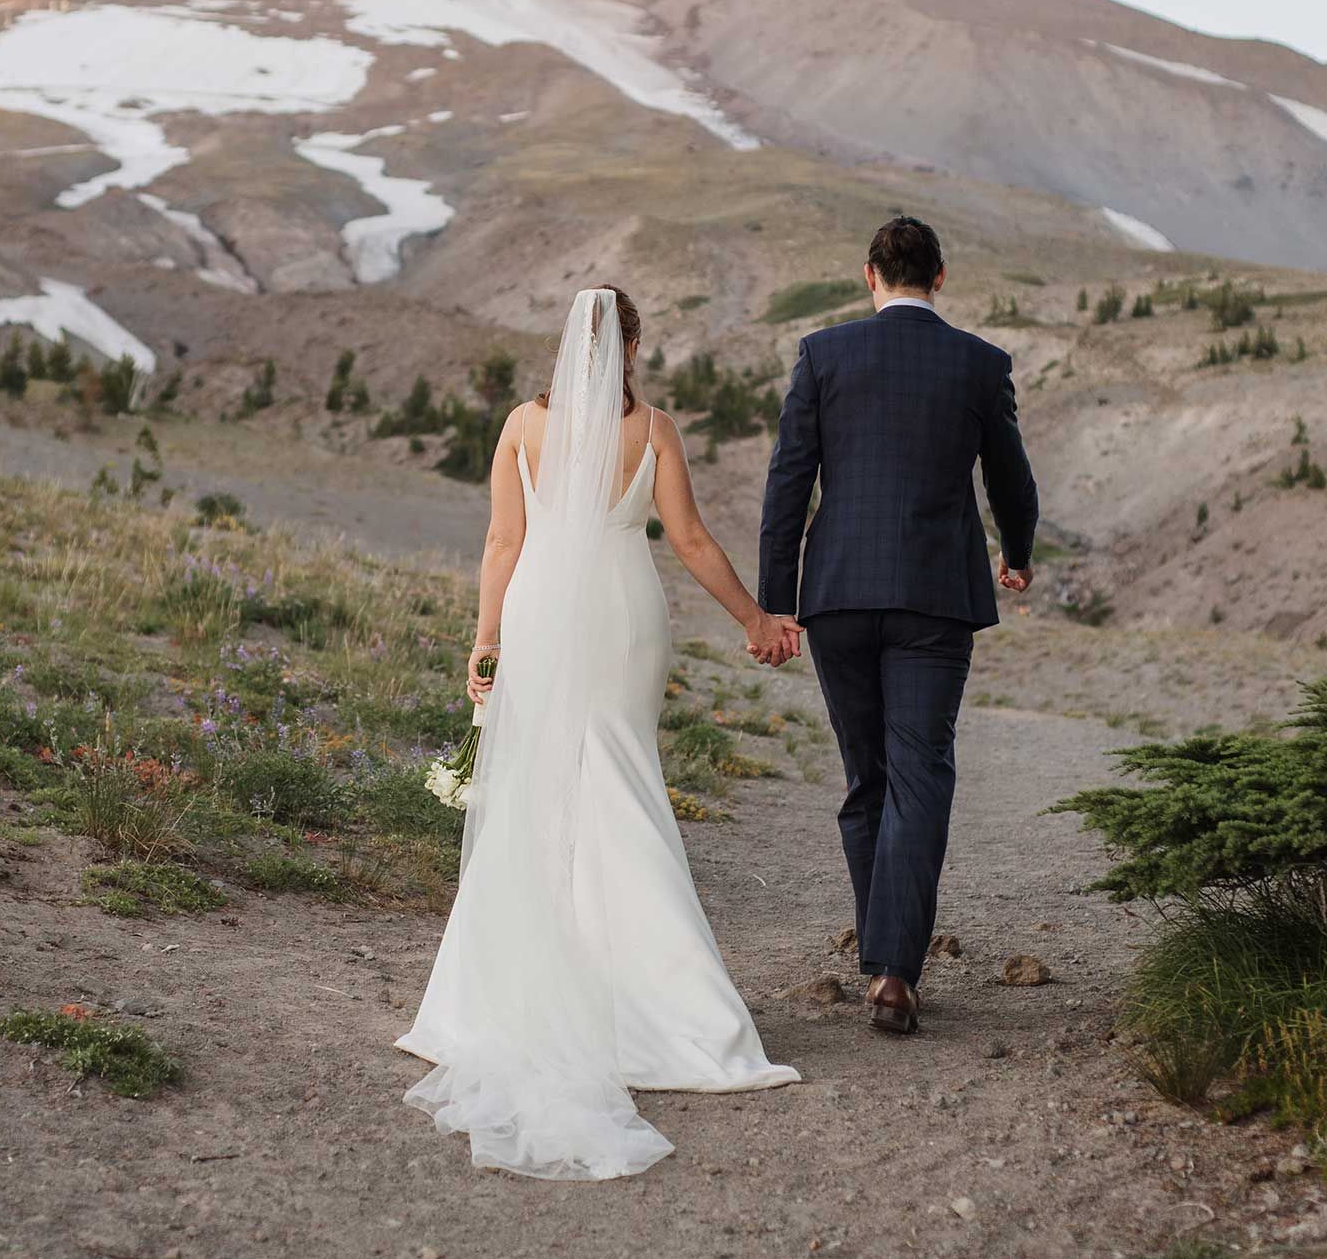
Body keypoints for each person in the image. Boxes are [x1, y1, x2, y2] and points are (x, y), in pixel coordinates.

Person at [397, 286, 801, 1180]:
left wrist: (486, 640)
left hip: (541, 608)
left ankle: (518, 994)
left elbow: (502, 543)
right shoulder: (651, 428)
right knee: (620, 781)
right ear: (632, 345)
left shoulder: (520, 425)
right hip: (623, 614)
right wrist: (754, 618)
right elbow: (689, 540)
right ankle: (664, 1006)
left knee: (545, 784)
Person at [757, 215, 1039, 1035]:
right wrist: (1016, 552)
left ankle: (882, 957)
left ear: (869, 275)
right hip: (934, 599)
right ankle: (893, 974)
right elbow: (1012, 480)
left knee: (867, 779)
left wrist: (778, 599)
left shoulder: (823, 354)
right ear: (940, 277)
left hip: (837, 593)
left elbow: (788, 483)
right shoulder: (981, 364)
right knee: (921, 777)